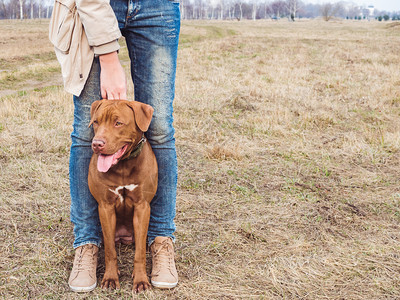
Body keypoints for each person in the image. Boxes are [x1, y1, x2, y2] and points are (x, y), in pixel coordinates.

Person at [49, 0, 180, 292]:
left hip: (158, 7)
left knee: (159, 129)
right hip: (92, 6)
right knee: (86, 132)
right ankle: (87, 242)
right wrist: (108, 59)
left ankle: (160, 239)